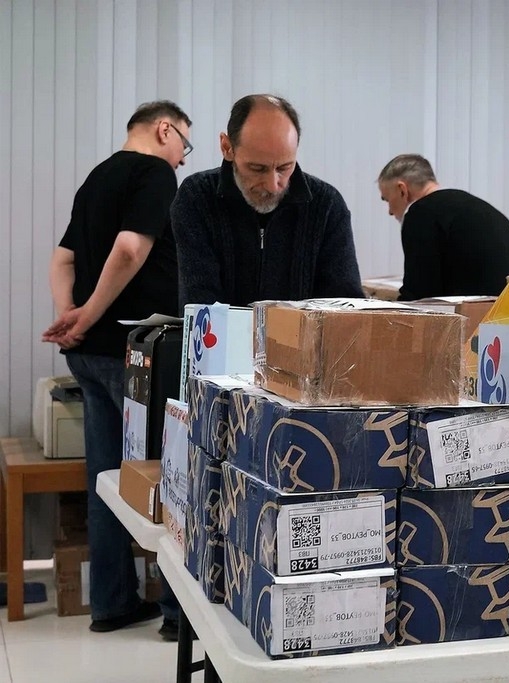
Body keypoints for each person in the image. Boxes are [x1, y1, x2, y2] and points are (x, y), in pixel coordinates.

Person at [42, 100, 192, 637]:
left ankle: (111, 604)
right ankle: (176, 614)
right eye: (185, 145)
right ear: (164, 129)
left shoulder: (97, 177)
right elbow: (130, 250)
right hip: (136, 352)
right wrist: (88, 316)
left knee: (107, 481)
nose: (182, 159)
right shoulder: (154, 173)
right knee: (167, 478)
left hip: (87, 354)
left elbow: (62, 259)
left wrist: (71, 316)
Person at [171, 94, 362, 309]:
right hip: (222, 332)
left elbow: (345, 306)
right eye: (257, 168)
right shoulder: (198, 197)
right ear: (227, 147)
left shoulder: (327, 206)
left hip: (304, 333)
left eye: (284, 167)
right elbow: (200, 304)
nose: (273, 185)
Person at [377, 154, 509, 301]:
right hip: (506, 310)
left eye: (387, 200)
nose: (390, 211)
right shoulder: (489, 213)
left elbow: (418, 293)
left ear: (402, 190)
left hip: (467, 313)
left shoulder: (421, 214)